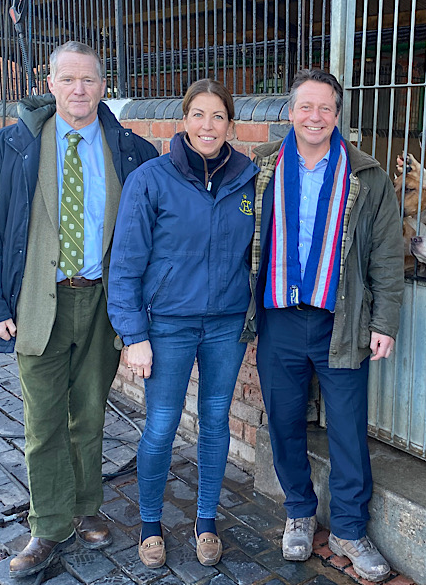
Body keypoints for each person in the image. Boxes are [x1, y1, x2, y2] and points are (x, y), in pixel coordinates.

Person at [0, 41, 158, 577]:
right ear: (49, 84)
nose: (78, 89)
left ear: (104, 85)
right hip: (37, 301)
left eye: (89, 79)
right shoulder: (13, 146)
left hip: (102, 301)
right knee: (44, 418)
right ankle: (48, 523)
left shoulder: (131, 151)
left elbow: (152, 235)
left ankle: (86, 506)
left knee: (90, 412)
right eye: (67, 79)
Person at [243, 69, 404, 583]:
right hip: (279, 319)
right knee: (285, 421)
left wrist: (385, 321)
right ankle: (299, 511)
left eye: (326, 108)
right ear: (290, 112)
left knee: (348, 430)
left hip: (342, 320)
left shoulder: (367, 175)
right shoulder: (261, 167)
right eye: (306, 107)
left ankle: (350, 531)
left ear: (337, 115)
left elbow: (386, 254)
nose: (315, 117)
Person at [107, 79, 260, 568]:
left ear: (231, 124)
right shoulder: (151, 179)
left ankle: (206, 520)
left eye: (218, 116)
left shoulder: (249, 179)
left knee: (215, 420)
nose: (207, 126)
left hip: (226, 323)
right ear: (184, 120)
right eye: (198, 114)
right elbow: (125, 263)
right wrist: (134, 334)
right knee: (161, 424)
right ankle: (150, 524)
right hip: (168, 324)